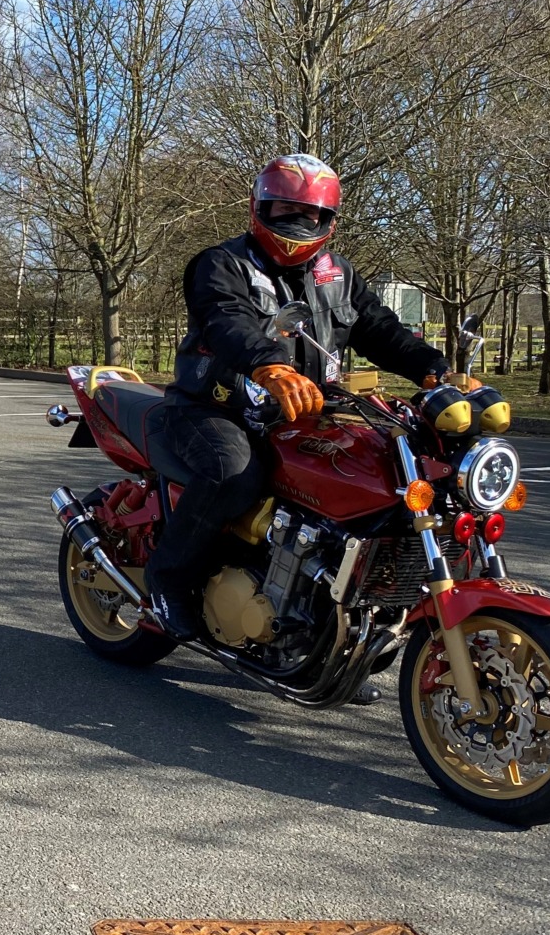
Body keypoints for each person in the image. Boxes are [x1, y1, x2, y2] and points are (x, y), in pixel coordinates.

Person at [146, 154, 468, 641]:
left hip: (305, 410)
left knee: (377, 481)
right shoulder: (221, 263)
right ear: (259, 208)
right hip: (214, 407)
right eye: (285, 211)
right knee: (233, 472)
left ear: (330, 220)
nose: (301, 224)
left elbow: (379, 329)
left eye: (314, 215)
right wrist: (267, 362)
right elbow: (225, 319)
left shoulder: (337, 272)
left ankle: (335, 630)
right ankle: (167, 581)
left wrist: (435, 370)